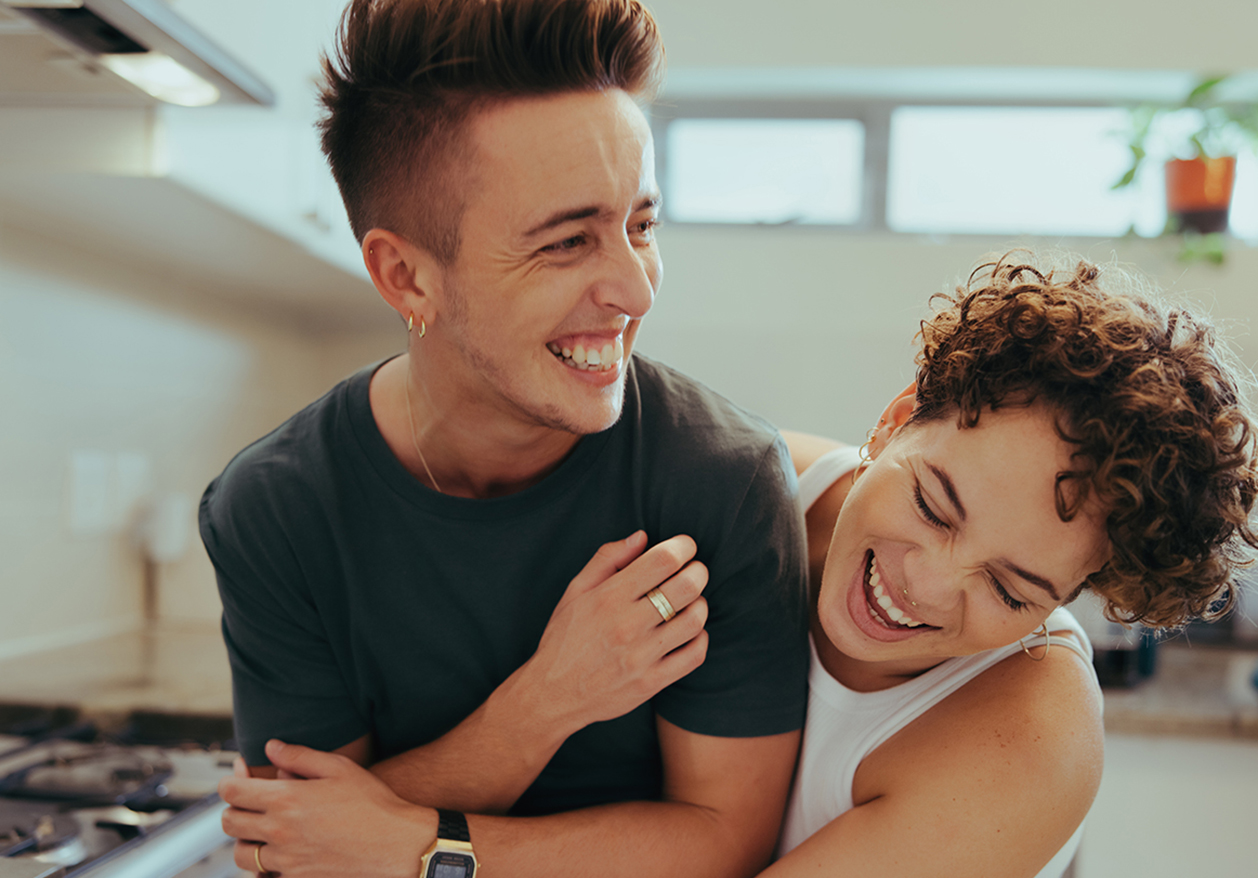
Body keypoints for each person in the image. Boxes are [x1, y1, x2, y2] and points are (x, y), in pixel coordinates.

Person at [202, 1, 810, 876]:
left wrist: (425, 847)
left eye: (641, 226)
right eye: (567, 242)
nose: (636, 291)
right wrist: (545, 703)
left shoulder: (720, 482)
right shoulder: (276, 509)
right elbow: (294, 843)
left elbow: (723, 839)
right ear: (406, 276)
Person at [763, 253, 1258, 877]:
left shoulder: (1031, 745)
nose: (930, 585)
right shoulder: (758, 488)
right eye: (933, 506)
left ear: (1067, 596)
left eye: (1007, 589)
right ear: (894, 424)